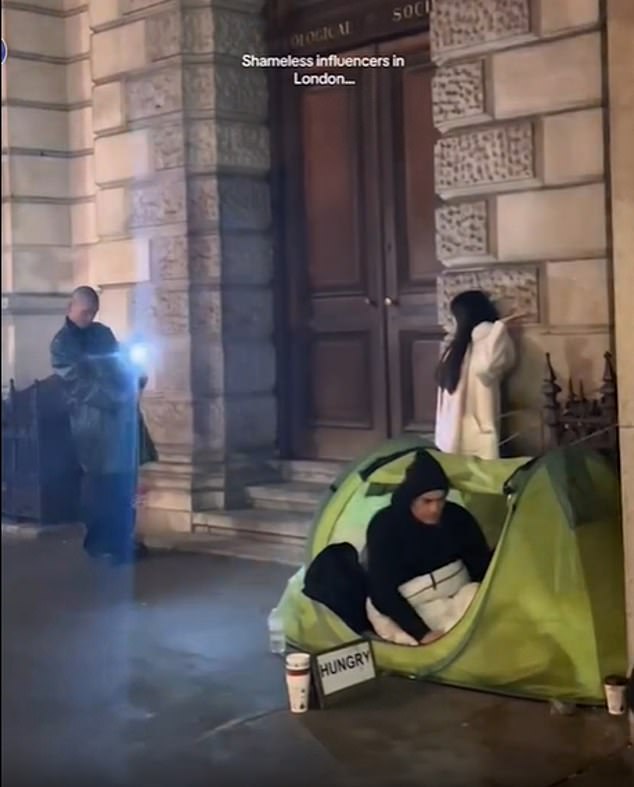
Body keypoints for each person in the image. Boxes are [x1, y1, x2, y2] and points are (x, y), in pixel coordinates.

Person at [50, 286, 147, 564]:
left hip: (117, 421)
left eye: (93, 312)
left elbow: (118, 365)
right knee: (100, 484)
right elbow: (77, 385)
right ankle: (101, 543)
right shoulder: (62, 344)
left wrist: (134, 377)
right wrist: (117, 397)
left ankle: (122, 539)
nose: (90, 317)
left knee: (123, 482)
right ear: (72, 308)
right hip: (91, 425)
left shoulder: (102, 334)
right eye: (85, 312)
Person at [365, 450, 492, 646]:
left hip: (452, 600)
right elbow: (382, 591)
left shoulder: (458, 518)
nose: (435, 508)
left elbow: (480, 567)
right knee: (387, 622)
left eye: (440, 500)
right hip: (406, 607)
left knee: (478, 599)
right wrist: (422, 633)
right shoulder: (385, 525)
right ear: (411, 499)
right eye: (427, 501)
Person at [435, 290, 523, 460]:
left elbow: (488, 369)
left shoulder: (485, 338)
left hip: (465, 431)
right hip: (461, 431)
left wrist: (498, 330)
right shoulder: (460, 346)